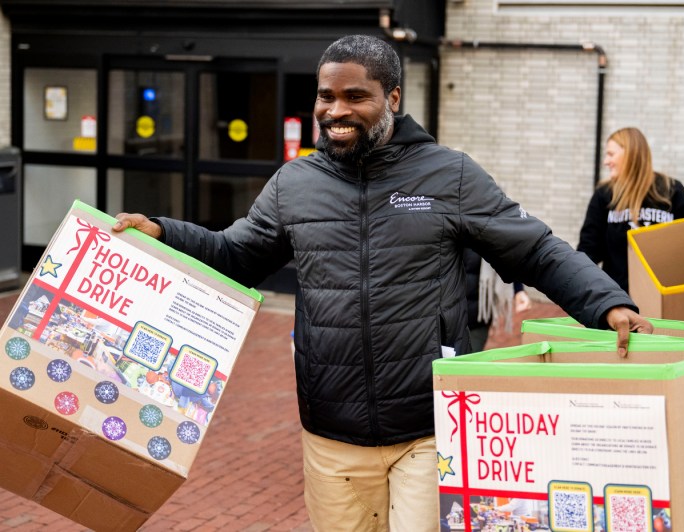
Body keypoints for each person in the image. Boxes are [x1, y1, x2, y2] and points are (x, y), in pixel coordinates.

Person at [113, 34, 653, 532]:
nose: (336, 110)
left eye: (356, 95)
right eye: (326, 96)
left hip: (426, 427)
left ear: (393, 97)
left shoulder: (450, 175)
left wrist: (606, 304)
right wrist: (164, 232)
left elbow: (533, 248)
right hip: (331, 432)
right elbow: (235, 254)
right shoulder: (294, 184)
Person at [577, 127, 684, 293]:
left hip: (662, 298)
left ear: (631, 153)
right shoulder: (604, 194)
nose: (605, 161)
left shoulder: (671, 189)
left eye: (611, 154)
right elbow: (588, 251)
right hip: (617, 299)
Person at [463, 247, 532, 352]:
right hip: (442, 316)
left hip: (479, 314)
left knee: (468, 361)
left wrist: (518, 290)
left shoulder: (490, 233)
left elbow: (507, 255)